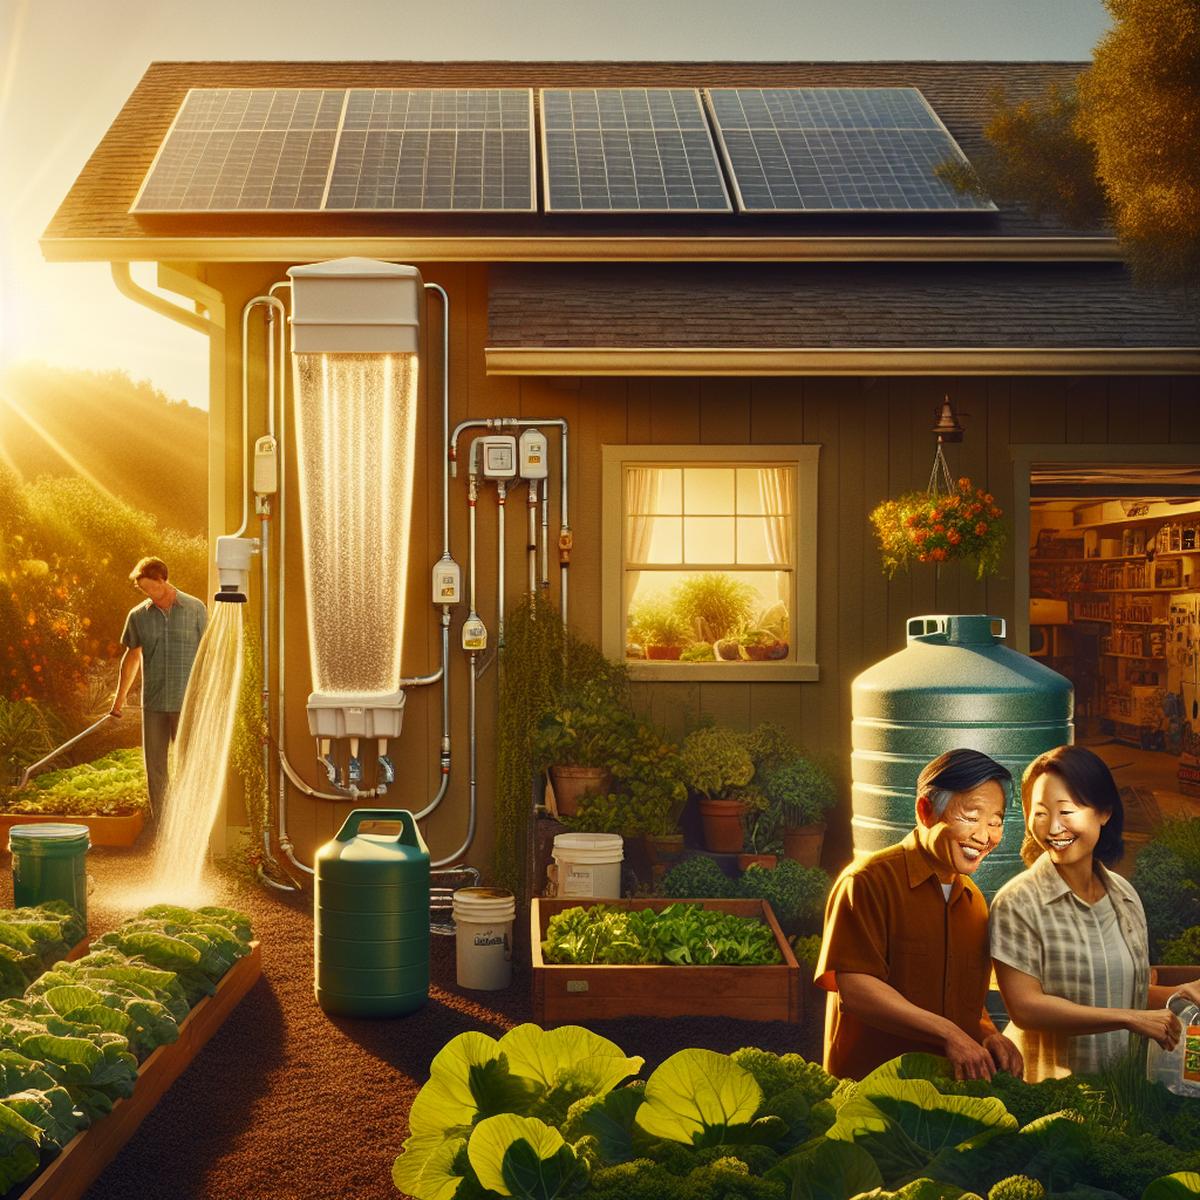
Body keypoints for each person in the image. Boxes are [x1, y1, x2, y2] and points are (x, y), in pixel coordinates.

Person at [990, 745, 1200, 1082]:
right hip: (1052, 1097)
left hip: (1124, 1094)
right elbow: (1025, 1008)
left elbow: (1122, 989)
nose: (1054, 827)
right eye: (1040, 813)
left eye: (1067, 811)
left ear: (1104, 812)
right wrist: (1128, 1018)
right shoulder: (1017, 902)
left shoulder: (1125, 897)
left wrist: (1183, 993)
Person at [815, 748, 1024, 1082]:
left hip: (947, 1097)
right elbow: (855, 986)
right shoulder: (866, 881)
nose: (984, 837)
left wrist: (987, 1033)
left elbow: (963, 1001)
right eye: (970, 817)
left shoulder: (974, 903)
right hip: (870, 1095)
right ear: (925, 811)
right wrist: (948, 1033)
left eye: (995, 823)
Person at [110, 557, 208, 822]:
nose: (148, 594)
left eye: (151, 587)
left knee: (189, 765)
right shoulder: (138, 616)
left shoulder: (195, 609)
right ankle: (164, 825)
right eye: (143, 590)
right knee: (156, 770)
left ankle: (190, 824)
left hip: (187, 702)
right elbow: (131, 659)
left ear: (163, 579)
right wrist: (118, 700)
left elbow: (208, 655)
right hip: (153, 704)